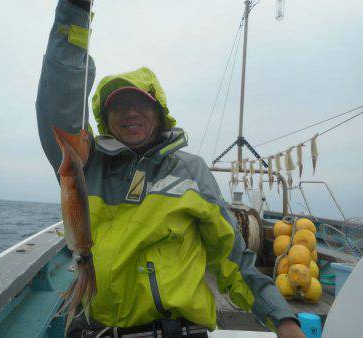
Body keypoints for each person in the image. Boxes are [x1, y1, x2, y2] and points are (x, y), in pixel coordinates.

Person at [36, 1, 305, 337]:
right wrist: (74, 14)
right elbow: (58, 105)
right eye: (119, 105)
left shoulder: (191, 171)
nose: (131, 112)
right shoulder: (86, 164)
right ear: (106, 119)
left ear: (159, 111)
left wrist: (283, 317)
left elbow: (233, 261)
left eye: (140, 103)